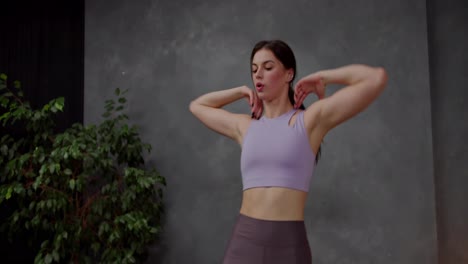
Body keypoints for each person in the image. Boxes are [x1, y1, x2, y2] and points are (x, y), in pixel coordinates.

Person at [189, 40, 388, 264]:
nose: (258, 75)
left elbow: (375, 78)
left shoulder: (310, 121)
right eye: (254, 70)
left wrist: (324, 77)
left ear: (288, 74)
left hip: (288, 247)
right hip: (244, 243)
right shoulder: (245, 127)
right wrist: (239, 91)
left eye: (268, 67)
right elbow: (197, 106)